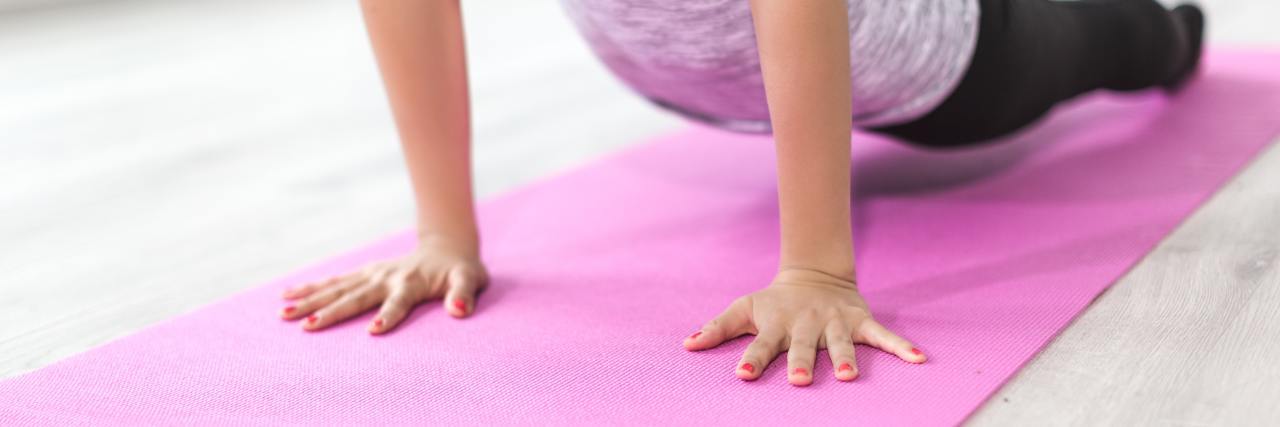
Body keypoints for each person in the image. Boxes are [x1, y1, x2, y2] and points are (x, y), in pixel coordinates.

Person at [277, 0, 1205, 386]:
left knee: (1127, 39)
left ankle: (1173, 31)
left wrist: (816, 268)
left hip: (929, 56)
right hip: (696, 74)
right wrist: (445, 231)